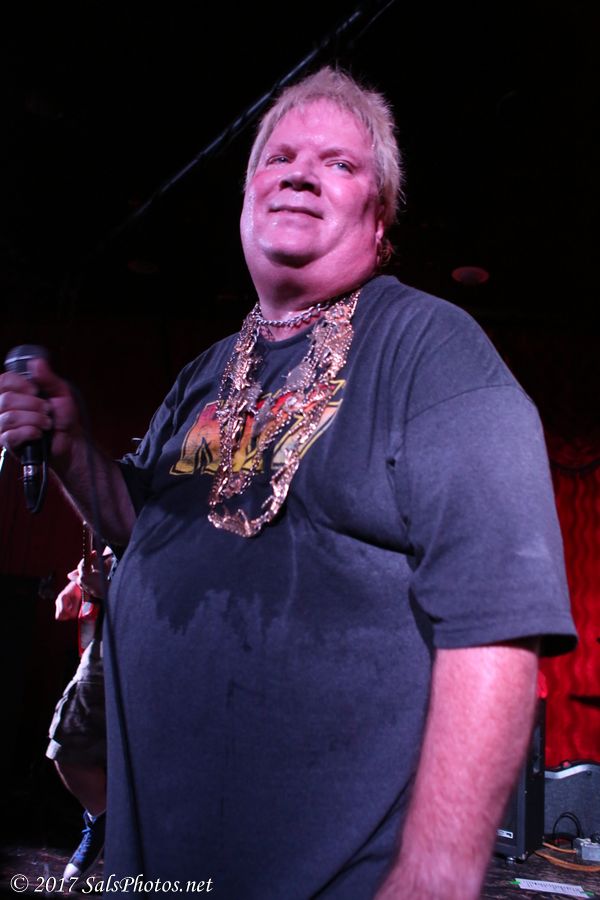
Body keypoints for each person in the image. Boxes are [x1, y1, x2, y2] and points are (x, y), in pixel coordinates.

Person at [0, 67, 576, 899]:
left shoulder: (430, 351)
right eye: (280, 157)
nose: (301, 174)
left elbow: (500, 617)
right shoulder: (207, 374)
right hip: (159, 864)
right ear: (247, 200)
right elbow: (152, 530)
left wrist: (437, 874)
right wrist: (71, 451)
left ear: (378, 219)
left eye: (339, 164)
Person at [46, 547, 113, 883]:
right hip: (110, 643)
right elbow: (111, 550)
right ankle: (104, 818)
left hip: (172, 636)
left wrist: (114, 588)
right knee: (69, 742)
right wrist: (78, 586)